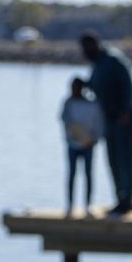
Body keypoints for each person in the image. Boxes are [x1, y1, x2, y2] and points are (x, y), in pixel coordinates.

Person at [80, 31, 132, 216]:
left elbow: (128, 86)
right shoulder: (97, 64)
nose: (85, 51)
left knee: (125, 160)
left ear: (96, 43)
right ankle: (120, 199)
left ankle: (127, 200)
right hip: (108, 120)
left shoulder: (114, 59)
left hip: (125, 119)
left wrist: (126, 111)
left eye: (87, 47)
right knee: (113, 160)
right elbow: (94, 86)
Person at [59, 77, 102, 216]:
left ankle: (88, 206)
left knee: (88, 175)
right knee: (72, 175)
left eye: (75, 87)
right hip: (73, 145)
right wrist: (74, 136)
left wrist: (94, 139)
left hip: (89, 145)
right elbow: (65, 121)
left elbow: (98, 123)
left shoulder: (92, 104)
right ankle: (70, 206)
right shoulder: (68, 103)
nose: (73, 90)